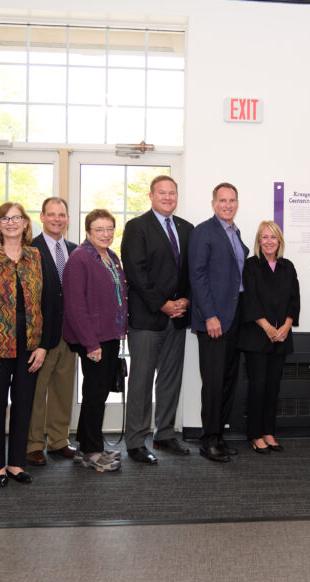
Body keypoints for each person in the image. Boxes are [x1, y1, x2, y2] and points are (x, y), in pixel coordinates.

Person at [0, 202, 50, 487]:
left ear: (26, 224)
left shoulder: (37, 257)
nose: (12, 222)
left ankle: (16, 463)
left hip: (30, 346)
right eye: (5, 218)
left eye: (17, 218)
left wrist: (44, 346)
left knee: (24, 404)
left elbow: (50, 303)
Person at [120, 175, 194, 462]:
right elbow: (136, 272)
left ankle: (164, 434)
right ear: (151, 196)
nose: (167, 197)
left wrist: (185, 299)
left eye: (172, 193)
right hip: (147, 320)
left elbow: (190, 270)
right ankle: (136, 441)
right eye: (161, 193)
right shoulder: (136, 227)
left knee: (170, 379)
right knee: (140, 381)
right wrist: (163, 304)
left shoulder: (186, 229)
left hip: (177, 319)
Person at [62, 209, 128, 473]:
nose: (106, 234)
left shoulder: (111, 256)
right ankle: (92, 452)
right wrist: (91, 344)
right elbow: (75, 307)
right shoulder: (80, 259)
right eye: (99, 229)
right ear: (88, 232)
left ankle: (87, 445)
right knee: (94, 394)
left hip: (109, 336)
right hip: (93, 339)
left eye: (110, 228)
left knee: (97, 392)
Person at [188, 182, 249, 463]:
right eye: (222, 200)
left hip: (234, 319)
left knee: (227, 380)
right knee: (212, 382)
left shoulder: (235, 233)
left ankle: (218, 436)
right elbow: (197, 276)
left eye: (232, 200)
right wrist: (210, 315)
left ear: (237, 203)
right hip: (213, 319)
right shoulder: (204, 232)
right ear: (213, 203)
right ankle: (208, 439)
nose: (228, 205)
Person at [239, 221, 300, 454]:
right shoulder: (251, 266)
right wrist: (267, 327)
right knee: (258, 387)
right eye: (264, 237)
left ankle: (268, 432)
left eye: (273, 237)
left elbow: (294, 300)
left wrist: (285, 326)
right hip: (257, 337)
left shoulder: (288, 266)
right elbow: (250, 300)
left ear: (279, 241)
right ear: (259, 241)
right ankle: (255, 434)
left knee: (273, 387)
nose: (269, 242)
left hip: (282, 337)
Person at [26, 197, 79, 466]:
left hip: (69, 333)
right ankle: (33, 444)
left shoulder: (75, 249)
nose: (57, 219)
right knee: (36, 392)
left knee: (63, 389)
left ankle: (59, 440)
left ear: (67, 219)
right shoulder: (29, 249)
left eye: (61, 215)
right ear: (42, 217)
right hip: (40, 336)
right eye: (51, 214)